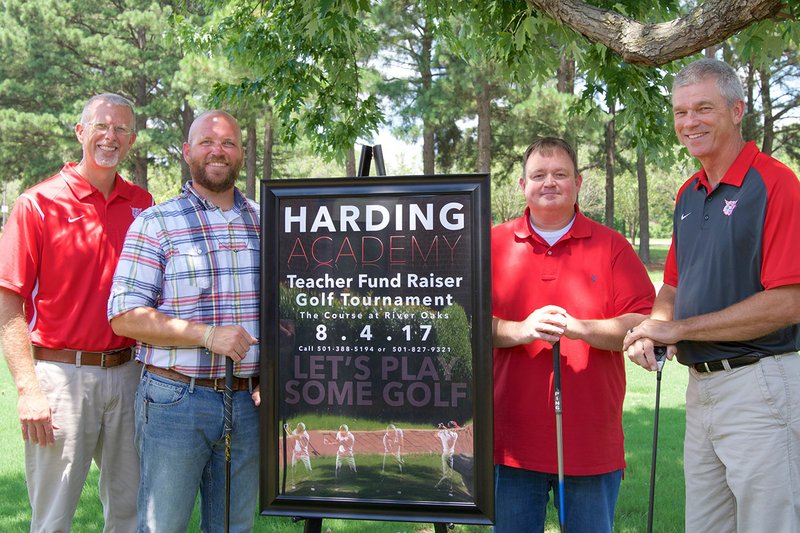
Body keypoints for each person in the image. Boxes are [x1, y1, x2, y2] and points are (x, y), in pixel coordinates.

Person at [624, 58, 800, 532]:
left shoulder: (776, 184)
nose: (689, 123)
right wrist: (653, 330)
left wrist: (677, 328)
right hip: (700, 388)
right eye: (680, 113)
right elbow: (674, 287)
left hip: (761, 384)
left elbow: (789, 301)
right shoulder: (688, 194)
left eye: (703, 108)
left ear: (737, 109)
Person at [0, 93, 153, 532]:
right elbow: (8, 298)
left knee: (130, 510)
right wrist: (27, 389)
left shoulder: (143, 205)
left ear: (133, 139)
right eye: (101, 126)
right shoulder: (38, 203)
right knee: (53, 517)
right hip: (60, 377)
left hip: (130, 375)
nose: (111, 136)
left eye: (122, 129)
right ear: (80, 132)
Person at [107, 110, 261, 532]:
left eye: (228, 143)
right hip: (175, 400)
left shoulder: (266, 223)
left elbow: (284, 314)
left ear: (242, 154)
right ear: (187, 151)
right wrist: (206, 336)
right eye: (207, 142)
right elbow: (123, 315)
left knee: (234, 526)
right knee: (162, 526)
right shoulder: (157, 223)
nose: (218, 150)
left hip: (249, 405)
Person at [491, 137, 654, 533]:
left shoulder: (611, 245)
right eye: (539, 175)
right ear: (522, 185)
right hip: (510, 442)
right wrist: (521, 329)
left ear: (578, 182)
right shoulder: (491, 243)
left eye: (560, 174)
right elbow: (460, 322)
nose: (550, 183)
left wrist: (578, 327)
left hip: (591, 442)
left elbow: (644, 322)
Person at [434, 421, 459, 493]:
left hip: (445, 455)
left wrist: (439, 428)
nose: (456, 429)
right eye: (455, 427)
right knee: (448, 475)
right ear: (452, 428)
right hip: (449, 456)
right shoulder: (455, 435)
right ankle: (440, 487)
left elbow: (435, 435)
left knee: (448, 474)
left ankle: (448, 488)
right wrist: (444, 428)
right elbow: (450, 433)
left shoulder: (442, 433)